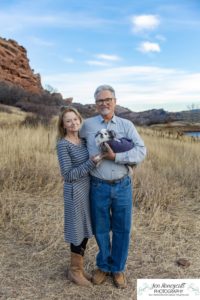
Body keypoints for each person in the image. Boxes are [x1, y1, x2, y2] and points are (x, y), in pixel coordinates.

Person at [80, 85, 146, 289]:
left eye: (108, 99)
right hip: (98, 186)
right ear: (95, 104)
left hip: (122, 185)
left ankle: (117, 268)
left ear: (115, 101)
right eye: (100, 100)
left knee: (122, 229)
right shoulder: (87, 125)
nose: (104, 103)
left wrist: (116, 157)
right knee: (101, 228)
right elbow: (73, 141)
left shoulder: (126, 125)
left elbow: (141, 151)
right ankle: (103, 266)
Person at [56, 106, 102, 287]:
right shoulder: (63, 145)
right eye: (68, 120)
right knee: (77, 231)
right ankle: (74, 272)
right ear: (63, 124)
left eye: (75, 119)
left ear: (79, 119)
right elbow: (67, 175)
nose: (73, 123)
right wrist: (91, 163)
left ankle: (79, 268)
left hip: (87, 189)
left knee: (85, 229)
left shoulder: (83, 141)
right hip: (74, 192)